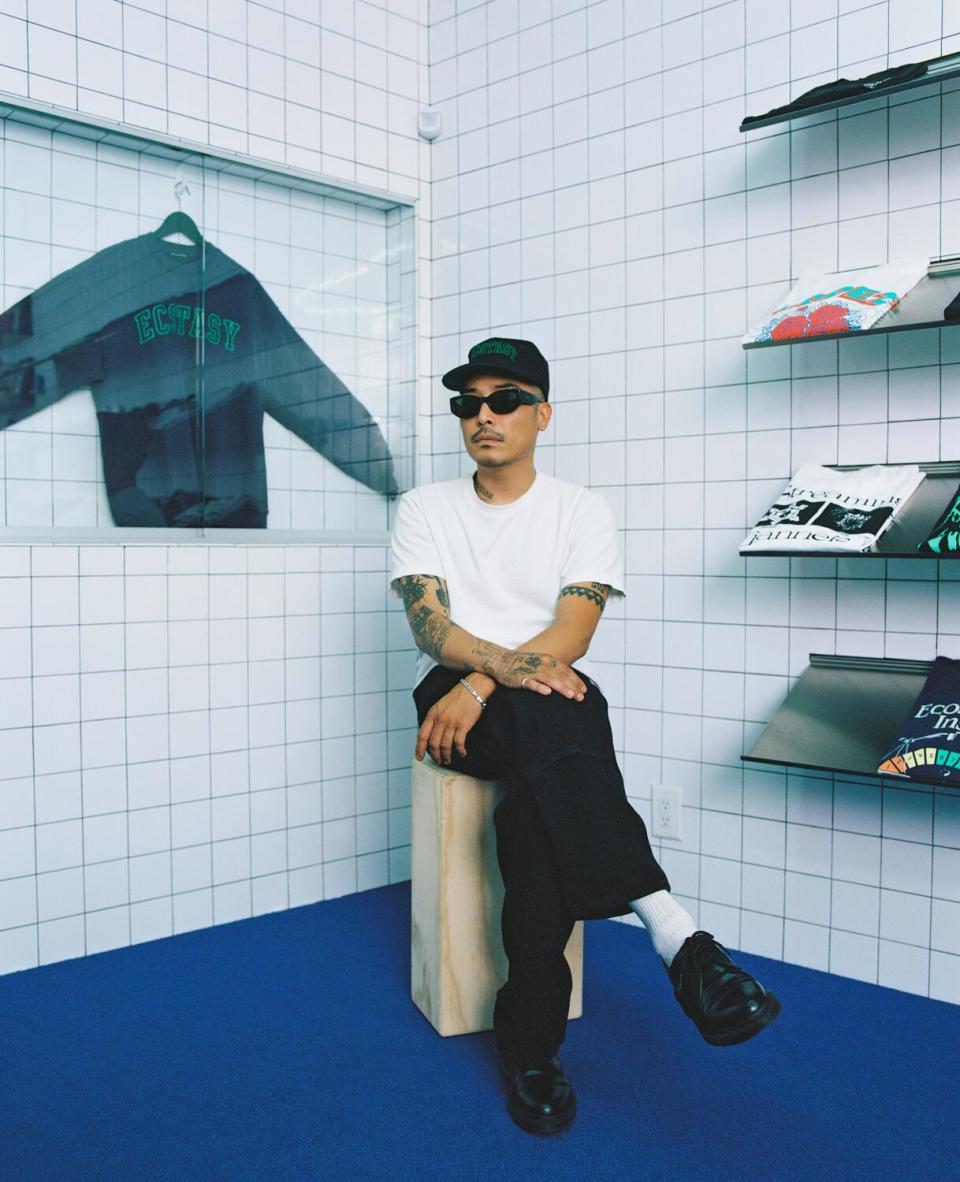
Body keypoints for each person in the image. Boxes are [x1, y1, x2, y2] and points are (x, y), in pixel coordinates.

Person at [388, 337, 780, 1135]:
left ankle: (531, 1050)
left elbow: (575, 627)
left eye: (504, 399)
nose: (483, 416)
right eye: (468, 402)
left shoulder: (581, 509)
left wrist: (488, 674)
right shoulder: (424, 507)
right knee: (561, 712)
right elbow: (432, 626)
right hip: (454, 699)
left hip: (526, 687)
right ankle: (675, 933)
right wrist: (479, 675)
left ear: (543, 413)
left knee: (536, 811)